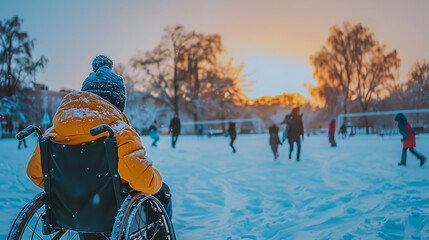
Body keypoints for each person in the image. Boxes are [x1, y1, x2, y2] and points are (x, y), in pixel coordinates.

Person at [26, 56, 172, 237]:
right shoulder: (120, 132)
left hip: (74, 212)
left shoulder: (52, 134)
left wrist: (71, 187)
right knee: (162, 192)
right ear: (117, 103)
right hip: (111, 214)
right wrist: (156, 179)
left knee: (85, 205)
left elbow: (35, 173)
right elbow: (143, 179)